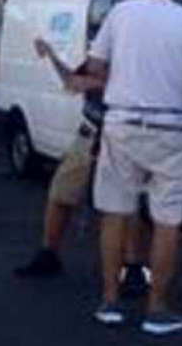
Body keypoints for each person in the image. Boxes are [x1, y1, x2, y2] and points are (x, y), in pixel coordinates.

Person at [86, 0, 182, 335]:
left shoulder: (121, 14)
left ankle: (109, 301)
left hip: (122, 123)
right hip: (172, 126)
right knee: (167, 220)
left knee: (115, 213)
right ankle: (157, 308)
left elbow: (95, 66)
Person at [16, 37, 149, 296]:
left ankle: (134, 268)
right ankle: (49, 253)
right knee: (61, 191)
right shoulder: (95, 62)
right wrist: (53, 57)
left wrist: (97, 83)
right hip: (89, 134)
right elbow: (71, 82)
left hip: (120, 136)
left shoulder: (134, 64)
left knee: (128, 204)